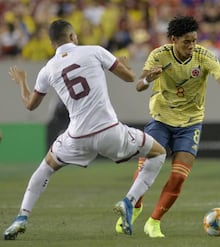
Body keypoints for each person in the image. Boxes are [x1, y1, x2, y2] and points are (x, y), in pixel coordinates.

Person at [3, 19, 166, 240]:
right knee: (158, 153)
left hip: (76, 137)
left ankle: (22, 217)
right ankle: (129, 201)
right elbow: (130, 78)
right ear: (72, 37)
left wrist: (21, 82)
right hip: (110, 131)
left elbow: (30, 104)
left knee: (46, 168)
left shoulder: (48, 69)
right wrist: (124, 65)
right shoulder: (95, 51)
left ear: (52, 44)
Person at [115, 15, 220, 238]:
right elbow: (139, 85)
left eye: (194, 40)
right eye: (187, 41)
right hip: (161, 119)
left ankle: (154, 223)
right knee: (145, 168)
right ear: (174, 39)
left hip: (191, 123)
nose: (192, 46)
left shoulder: (204, 57)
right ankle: (134, 207)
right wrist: (148, 79)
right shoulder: (159, 55)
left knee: (179, 177)